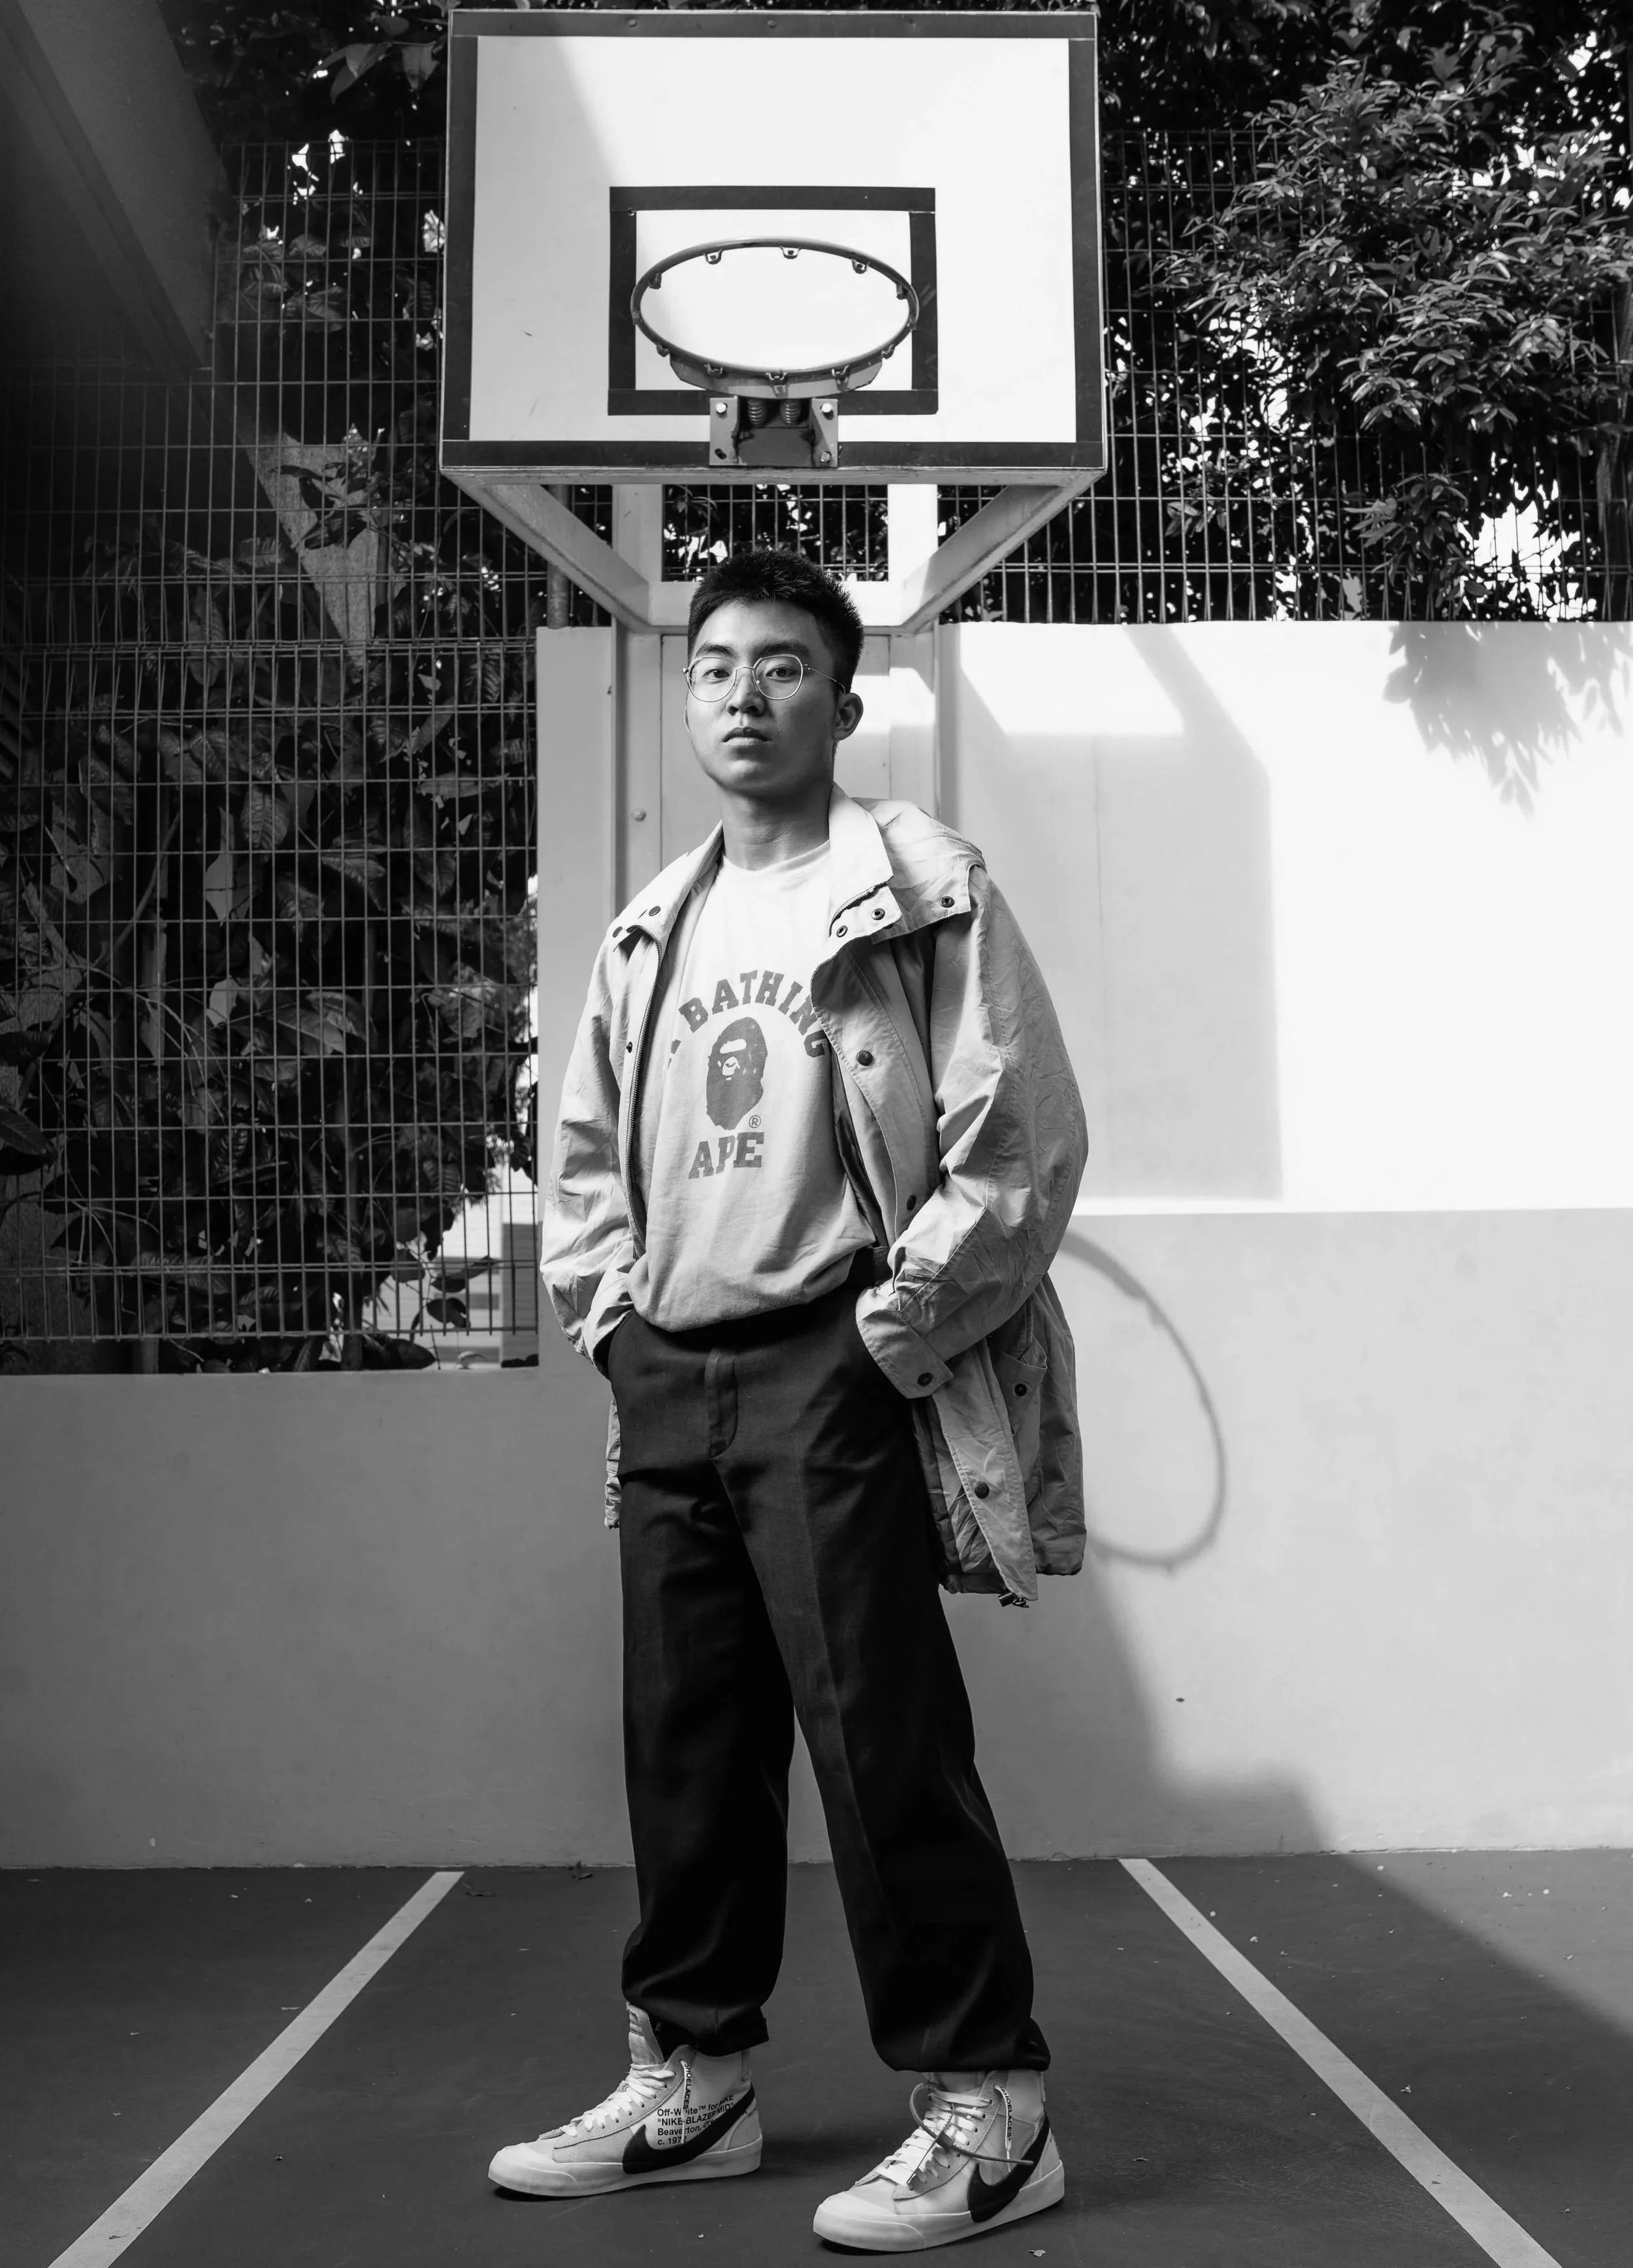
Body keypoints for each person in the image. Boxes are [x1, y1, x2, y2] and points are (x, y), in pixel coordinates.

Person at [491, 547, 1088, 2251]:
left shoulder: (911, 881)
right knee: (683, 1753)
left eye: (780, 667)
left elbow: (1020, 1133)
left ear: (842, 693)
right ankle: (693, 2082)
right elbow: (587, 1147)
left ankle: (988, 2106)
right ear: (685, 697)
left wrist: (894, 1332)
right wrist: (611, 1320)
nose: (741, 697)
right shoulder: (646, 922)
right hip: (667, 1376)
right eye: (713, 669)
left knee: (879, 1739)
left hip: (834, 1358)